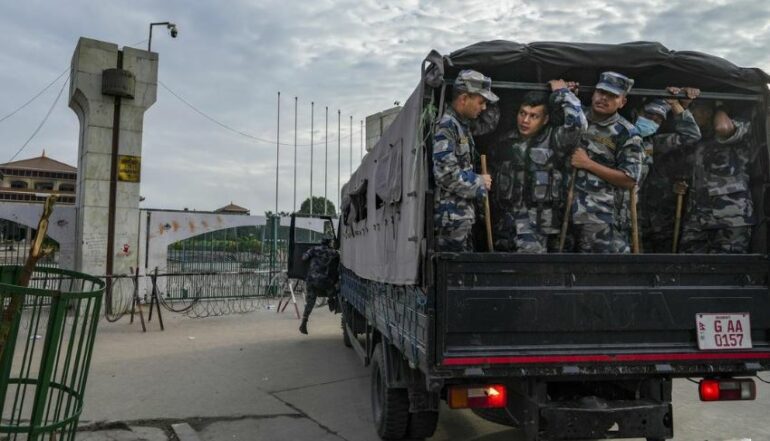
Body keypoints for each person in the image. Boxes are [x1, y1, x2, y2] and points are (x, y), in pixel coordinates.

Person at [490, 80, 586, 252]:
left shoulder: (556, 140)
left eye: (534, 116)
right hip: (505, 229)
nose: (525, 120)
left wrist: (563, 93)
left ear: (545, 119)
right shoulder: (504, 141)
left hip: (538, 231)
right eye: (522, 113)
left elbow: (578, 125)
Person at [566, 71, 644, 253]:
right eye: (601, 92)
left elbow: (630, 179)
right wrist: (566, 94)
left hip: (600, 218)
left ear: (622, 102)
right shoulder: (576, 117)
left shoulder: (627, 134)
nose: (603, 98)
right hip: (565, 212)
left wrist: (588, 164)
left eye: (612, 96)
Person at [433, 69, 498, 251]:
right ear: (463, 99)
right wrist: (479, 181)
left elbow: (490, 122)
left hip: (461, 218)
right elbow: (445, 175)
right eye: (481, 102)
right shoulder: (447, 126)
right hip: (452, 220)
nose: (484, 108)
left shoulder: (462, 125)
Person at [679, 102, 755, 253]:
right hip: (697, 216)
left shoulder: (739, 125)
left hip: (731, 216)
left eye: (696, 109)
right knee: (688, 266)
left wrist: (721, 107)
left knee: (728, 267)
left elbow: (723, 128)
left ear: (709, 111)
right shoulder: (696, 137)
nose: (692, 114)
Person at [635, 88, 701, 252]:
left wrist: (674, 104)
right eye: (648, 116)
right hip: (625, 217)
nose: (652, 121)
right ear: (637, 112)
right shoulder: (616, 135)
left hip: (655, 218)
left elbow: (691, 136)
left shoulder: (656, 142)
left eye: (657, 120)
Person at [299, 236, 339, 335]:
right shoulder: (333, 253)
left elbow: (304, 258)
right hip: (324, 281)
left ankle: (304, 321)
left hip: (311, 280)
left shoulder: (314, 249)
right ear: (329, 243)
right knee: (333, 288)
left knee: (310, 301)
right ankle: (331, 300)